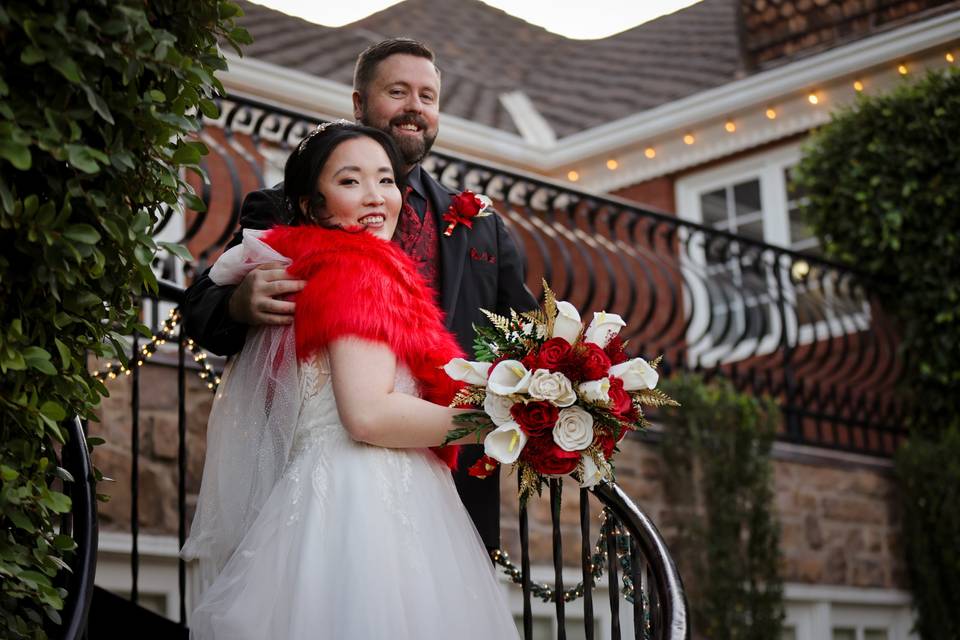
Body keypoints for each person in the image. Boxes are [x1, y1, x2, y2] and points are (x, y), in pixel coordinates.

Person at [182, 38, 536, 552]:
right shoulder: (287, 205)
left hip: (451, 483)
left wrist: (562, 396)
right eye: (398, 91)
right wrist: (237, 304)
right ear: (358, 103)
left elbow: (526, 334)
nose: (415, 107)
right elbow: (198, 309)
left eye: (428, 96)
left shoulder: (482, 226)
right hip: (328, 483)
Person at [183, 122, 520, 639]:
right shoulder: (357, 269)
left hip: (353, 494)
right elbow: (367, 414)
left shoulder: (340, 264)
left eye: (386, 181)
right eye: (350, 181)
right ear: (314, 206)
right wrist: (500, 423)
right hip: (363, 506)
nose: (375, 197)